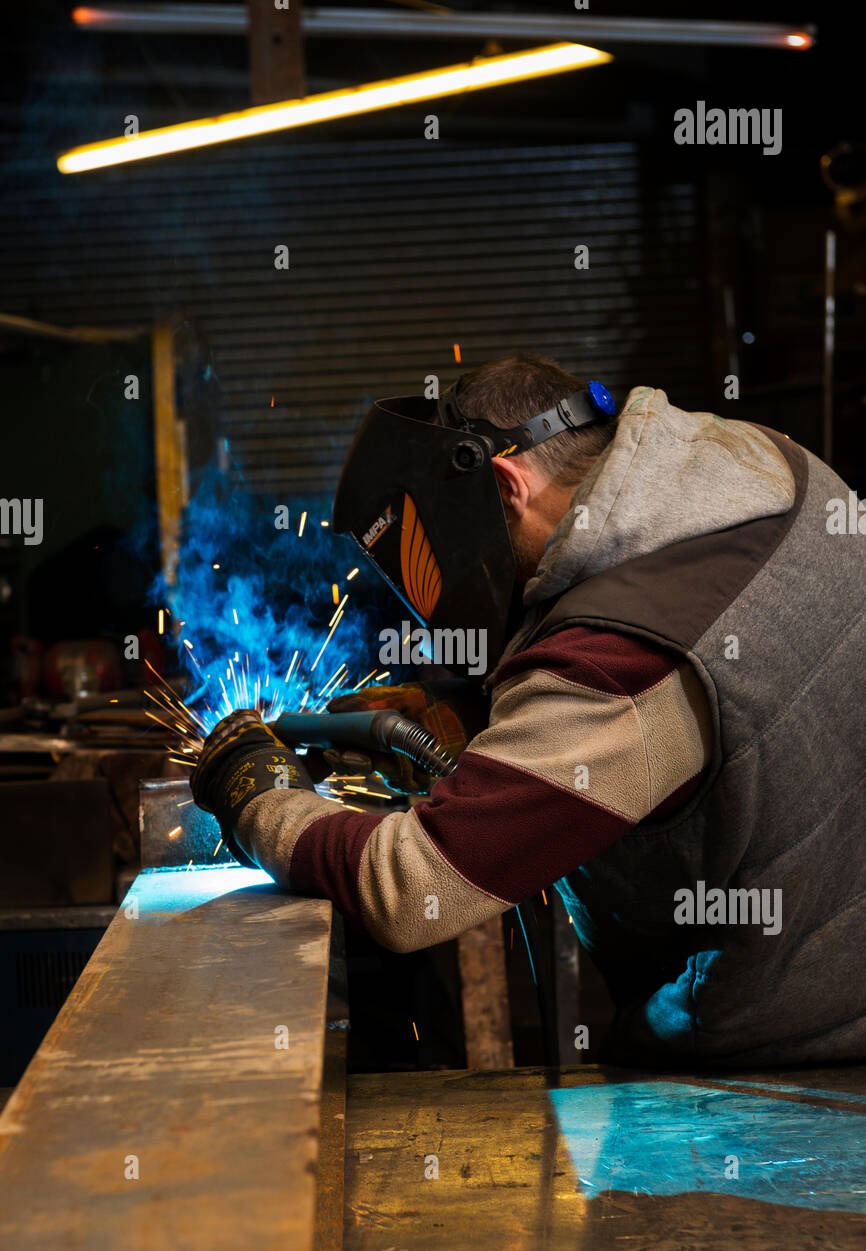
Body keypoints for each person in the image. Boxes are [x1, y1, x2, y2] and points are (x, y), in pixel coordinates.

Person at [192, 353, 866, 1067]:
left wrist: (258, 794)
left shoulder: (626, 657)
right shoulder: (764, 466)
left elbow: (411, 888)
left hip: (792, 1070)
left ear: (506, 487)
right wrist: (463, 719)